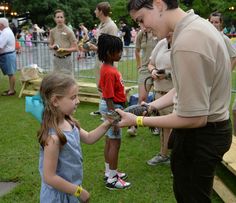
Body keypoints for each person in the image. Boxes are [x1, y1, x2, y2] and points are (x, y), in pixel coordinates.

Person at [116, 0, 232, 202]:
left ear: (159, 4)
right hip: (209, 132)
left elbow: (194, 118)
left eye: (141, 19)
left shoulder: (188, 40)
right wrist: (152, 107)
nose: (143, 28)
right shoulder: (195, 26)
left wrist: (138, 121)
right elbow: (183, 89)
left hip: (201, 136)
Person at [38, 73, 114, 202]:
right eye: (73, 97)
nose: (78, 101)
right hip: (57, 197)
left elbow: (89, 138)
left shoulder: (69, 123)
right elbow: (49, 177)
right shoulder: (53, 139)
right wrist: (78, 191)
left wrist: (108, 123)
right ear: (55, 101)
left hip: (70, 190)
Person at [97, 34, 131, 190]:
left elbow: (100, 87)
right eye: (119, 51)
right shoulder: (110, 72)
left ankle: (109, 171)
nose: (121, 54)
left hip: (110, 106)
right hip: (113, 108)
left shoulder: (106, 68)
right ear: (110, 53)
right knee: (115, 143)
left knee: (109, 141)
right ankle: (112, 178)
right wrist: (114, 119)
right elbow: (109, 96)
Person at [146, 33, 173, 165]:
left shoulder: (182, 44)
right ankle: (163, 154)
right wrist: (153, 71)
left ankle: (177, 159)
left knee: (177, 129)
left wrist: (167, 75)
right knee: (163, 127)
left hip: (173, 95)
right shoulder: (161, 43)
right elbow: (150, 64)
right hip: (159, 93)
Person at [209, 12, 236, 135]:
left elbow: (234, 56)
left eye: (216, 22)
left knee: (219, 107)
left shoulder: (224, 38)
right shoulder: (206, 37)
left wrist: (227, 72)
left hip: (220, 80)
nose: (214, 24)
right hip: (209, 77)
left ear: (221, 24)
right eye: (211, 22)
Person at [89, 1, 119, 116]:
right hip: (99, 58)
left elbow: (112, 47)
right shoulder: (101, 24)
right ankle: (102, 109)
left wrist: (95, 48)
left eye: (96, 10)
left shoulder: (111, 26)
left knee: (108, 86)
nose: (94, 11)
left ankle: (109, 110)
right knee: (100, 85)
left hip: (107, 61)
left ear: (101, 11)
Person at [127, 29, 158, 136]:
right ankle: (133, 125)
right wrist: (139, 66)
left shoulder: (159, 30)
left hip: (159, 69)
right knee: (142, 99)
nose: (142, 24)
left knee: (158, 100)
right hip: (145, 69)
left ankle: (156, 126)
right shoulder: (141, 33)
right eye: (140, 22)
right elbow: (137, 50)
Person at [49, 9, 78, 76]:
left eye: (61, 17)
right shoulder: (52, 31)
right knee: (56, 81)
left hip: (66, 60)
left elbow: (76, 48)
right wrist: (52, 47)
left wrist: (64, 49)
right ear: (54, 19)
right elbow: (50, 45)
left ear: (64, 19)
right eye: (57, 17)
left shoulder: (69, 31)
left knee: (67, 82)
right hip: (56, 60)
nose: (59, 19)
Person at [0, 17, 17, 96]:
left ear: (1, 24)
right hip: (8, 54)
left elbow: (0, 46)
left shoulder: (5, 33)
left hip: (8, 55)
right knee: (11, 73)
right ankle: (11, 89)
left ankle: (12, 90)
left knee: (11, 73)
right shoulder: (6, 31)